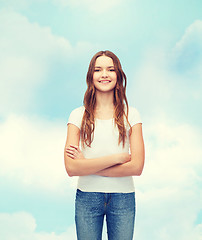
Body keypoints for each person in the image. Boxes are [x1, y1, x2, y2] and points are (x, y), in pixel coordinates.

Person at [64, 50, 145, 240]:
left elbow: (137, 167)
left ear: (118, 75)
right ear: (91, 76)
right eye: (98, 69)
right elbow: (71, 167)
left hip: (123, 198)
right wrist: (116, 158)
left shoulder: (131, 115)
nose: (104, 74)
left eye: (111, 69)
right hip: (87, 197)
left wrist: (87, 165)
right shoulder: (77, 115)